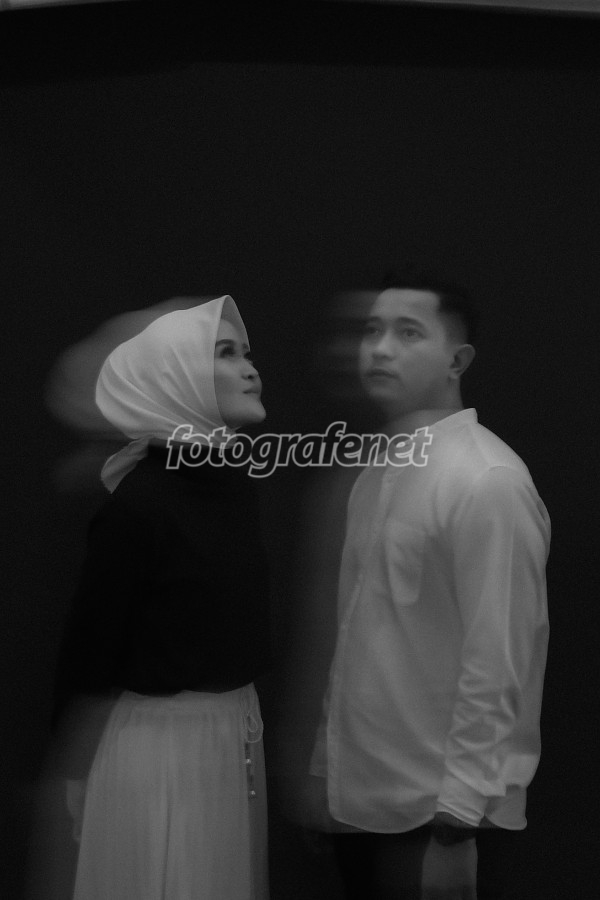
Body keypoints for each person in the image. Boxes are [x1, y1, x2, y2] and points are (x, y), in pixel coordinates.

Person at [307, 275, 550, 900]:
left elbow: (498, 660)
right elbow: (360, 636)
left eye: (408, 332)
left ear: (457, 361)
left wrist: (458, 821)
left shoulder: (487, 479)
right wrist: (328, 778)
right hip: (362, 804)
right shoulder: (378, 466)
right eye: (372, 331)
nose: (380, 349)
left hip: (437, 815)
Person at [51, 295, 271, 900]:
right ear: (177, 376)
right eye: (225, 353)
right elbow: (91, 644)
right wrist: (74, 767)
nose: (250, 368)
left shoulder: (232, 487)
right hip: (158, 758)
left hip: (228, 742)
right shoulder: (140, 505)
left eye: (246, 353)